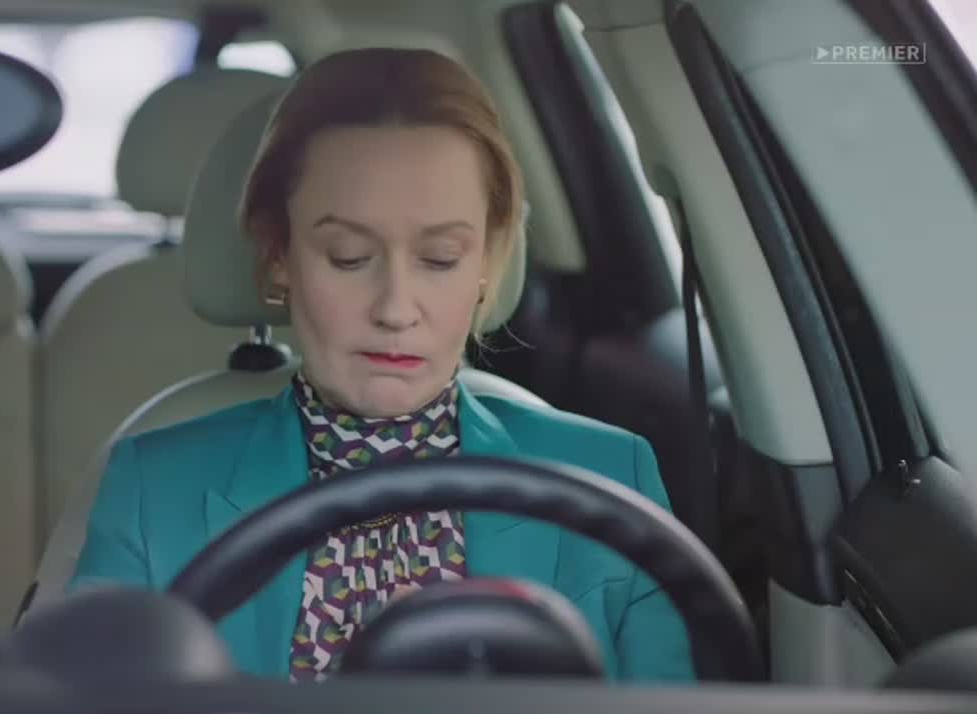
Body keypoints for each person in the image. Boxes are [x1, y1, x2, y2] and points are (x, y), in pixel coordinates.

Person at [70, 47, 694, 683]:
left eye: (441, 258)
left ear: (486, 262)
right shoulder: (151, 491)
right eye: (348, 256)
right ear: (279, 253)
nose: (396, 309)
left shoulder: (611, 480)